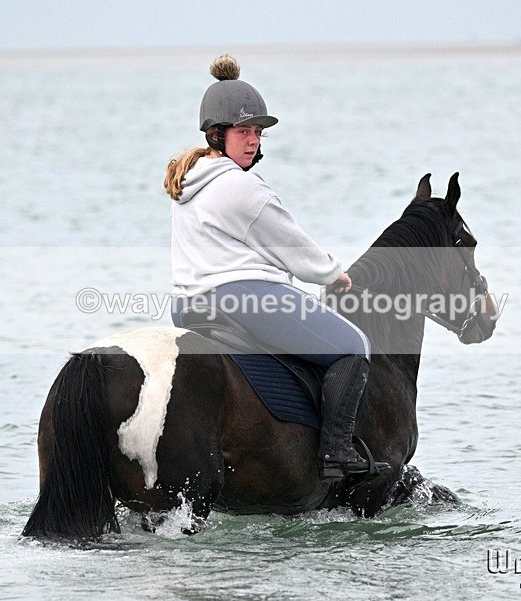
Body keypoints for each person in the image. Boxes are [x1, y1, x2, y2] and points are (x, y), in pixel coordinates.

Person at [164, 55, 389, 481]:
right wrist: (334, 275)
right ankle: (336, 455)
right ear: (218, 134)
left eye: (257, 133)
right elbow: (294, 248)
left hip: (186, 305)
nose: (252, 141)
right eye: (243, 132)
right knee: (353, 345)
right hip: (245, 298)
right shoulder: (241, 187)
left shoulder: (189, 182)